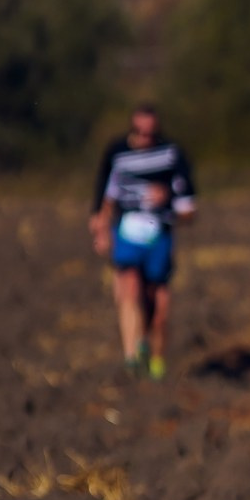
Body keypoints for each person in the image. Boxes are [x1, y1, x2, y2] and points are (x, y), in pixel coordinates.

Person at [89, 104, 198, 379]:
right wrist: (100, 229)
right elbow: (104, 196)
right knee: (128, 287)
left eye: (151, 133)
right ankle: (131, 355)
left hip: (159, 233)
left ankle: (154, 358)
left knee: (157, 303)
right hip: (126, 231)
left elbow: (189, 210)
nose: (144, 138)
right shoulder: (116, 152)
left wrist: (168, 199)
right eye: (139, 132)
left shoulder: (172, 154)